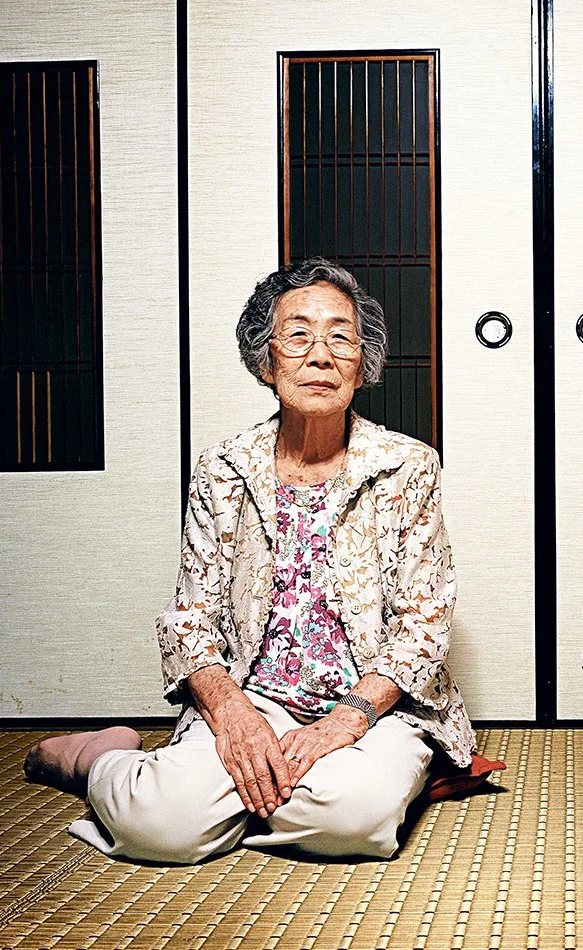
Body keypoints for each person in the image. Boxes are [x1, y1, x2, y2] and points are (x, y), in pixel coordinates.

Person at [25, 258, 476, 864]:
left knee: (355, 818)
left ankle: (239, 795)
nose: (321, 356)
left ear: (363, 365)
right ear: (266, 360)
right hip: (252, 695)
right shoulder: (223, 467)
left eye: (341, 337)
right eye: (299, 336)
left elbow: (425, 626)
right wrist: (233, 714)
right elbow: (190, 618)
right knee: (157, 826)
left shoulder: (407, 465)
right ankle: (94, 759)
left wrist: (339, 726)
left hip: (369, 704)